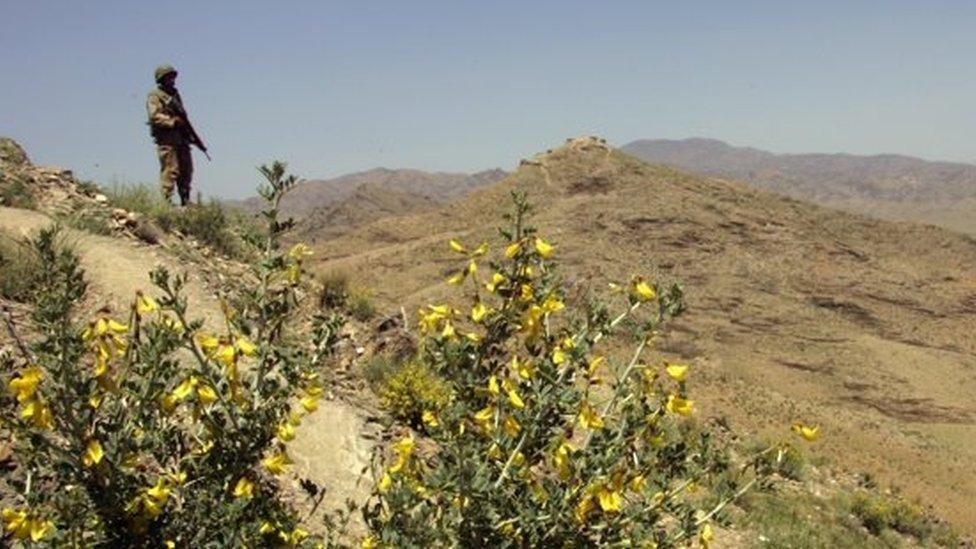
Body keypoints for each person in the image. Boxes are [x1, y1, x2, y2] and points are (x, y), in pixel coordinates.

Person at [146, 64, 194, 206]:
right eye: (169, 77)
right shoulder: (155, 96)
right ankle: (166, 203)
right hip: (167, 139)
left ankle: (185, 201)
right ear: (162, 79)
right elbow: (154, 116)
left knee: (186, 170)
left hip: (181, 139)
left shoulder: (175, 95)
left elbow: (183, 117)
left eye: (172, 77)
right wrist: (172, 122)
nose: (172, 80)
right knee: (170, 170)